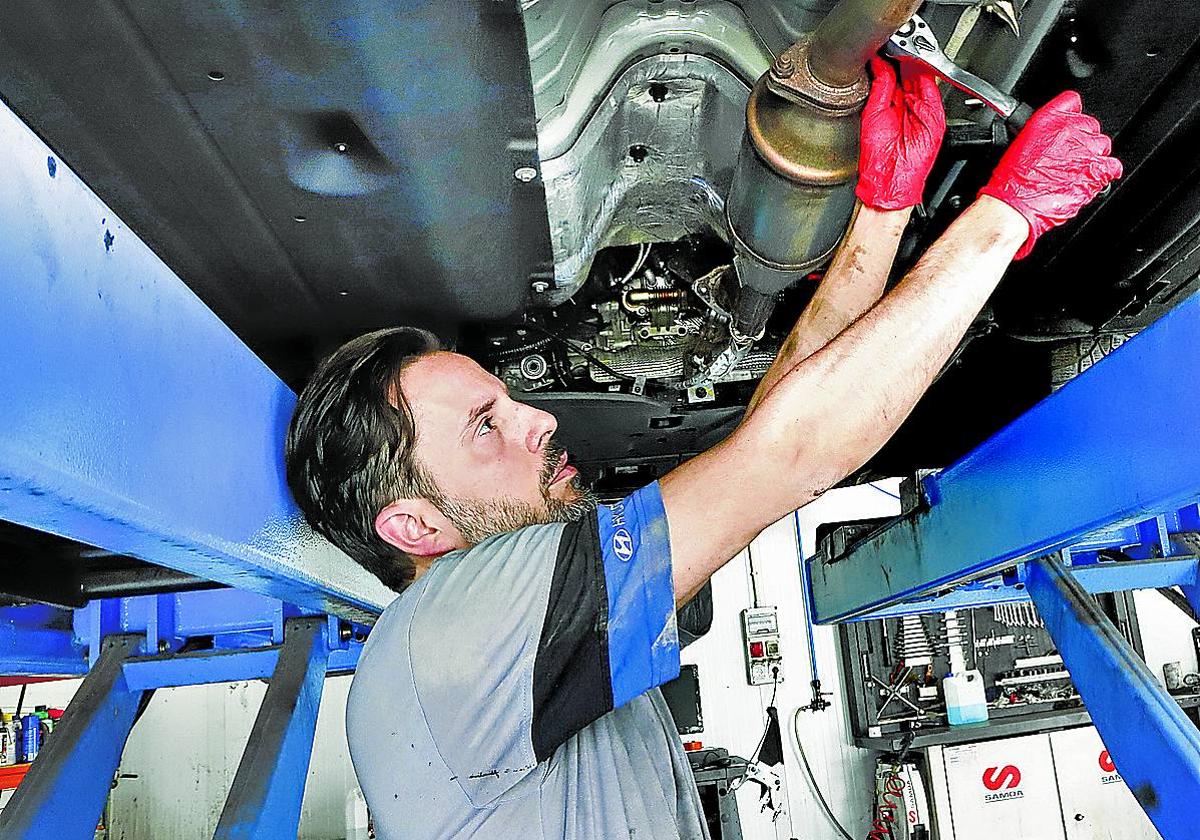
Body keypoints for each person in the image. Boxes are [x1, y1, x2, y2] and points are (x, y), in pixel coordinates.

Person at [285, 57, 1120, 840]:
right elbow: (789, 457)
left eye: (506, 403)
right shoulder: (455, 631)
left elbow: (770, 448)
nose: (536, 419)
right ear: (414, 528)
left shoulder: (519, 636)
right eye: (484, 426)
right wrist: (1004, 218)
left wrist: (884, 212)